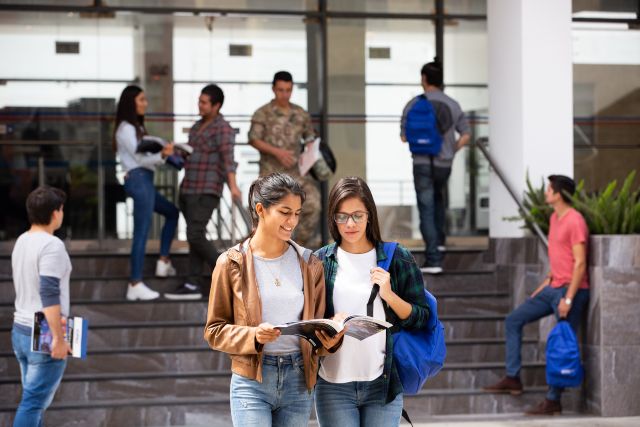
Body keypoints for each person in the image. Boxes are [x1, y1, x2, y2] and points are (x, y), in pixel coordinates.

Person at [204, 172, 343, 427]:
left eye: (297, 213)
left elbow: (316, 333)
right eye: (285, 212)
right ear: (261, 209)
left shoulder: (310, 264)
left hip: (298, 380)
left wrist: (331, 340)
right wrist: (253, 336)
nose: (293, 221)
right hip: (251, 381)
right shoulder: (231, 262)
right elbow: (214, 331)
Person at [314, 176, 430, 427]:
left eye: (357, 215)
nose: (350, 223)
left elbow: (422, 316)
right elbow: (308, 320)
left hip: (382, 384)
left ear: (370, 215)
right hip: (333, 385)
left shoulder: (396, 257)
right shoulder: (320, 261)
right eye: (341, 216)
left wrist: (389, 295)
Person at [482, 175, 590, 416]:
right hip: (553, 287)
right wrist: (546, 282)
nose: (545, 193)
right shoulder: (554, 218)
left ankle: (553, 400)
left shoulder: (575, 221)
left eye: (549, 189)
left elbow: (580, 263)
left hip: (572, 290)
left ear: (559, 194)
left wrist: (568, 299)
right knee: (513, 320)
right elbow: (562, 257)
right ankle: (513, 377)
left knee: (561, 343)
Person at [165, 84, 242, 300]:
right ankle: (192, 282)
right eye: (199, 101)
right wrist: (175, 153)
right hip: (189, 186)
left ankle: (227, 272)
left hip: (207, 189)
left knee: (195, 233)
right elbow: (190, 157)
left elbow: (229, 160)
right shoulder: (197, 126)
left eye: (204, 102)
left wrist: (233, 186)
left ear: (216, 106)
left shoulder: (223, 128)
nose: (199, 105)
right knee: (194, 235)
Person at [400, 60, 471, 274]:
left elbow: (404, 137)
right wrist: (451, 150)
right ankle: (439, 242)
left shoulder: (413, 104)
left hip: (421, 161)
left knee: (427, 206)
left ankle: (433, 258)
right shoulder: (452, 104)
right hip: (443, 163)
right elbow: (466, 134)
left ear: (424, 79)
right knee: (438, 198)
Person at [11, 186, 72, 426]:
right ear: (55, 213)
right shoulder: (51, 245)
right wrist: (58, 338)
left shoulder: (22, 240)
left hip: (21, 330)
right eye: (61, 209)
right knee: (33, 404)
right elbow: (49, 293)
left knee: (33, 402)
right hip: (43, 334)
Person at [114, 85, 180, 301]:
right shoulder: (125, 128)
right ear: (131, 102)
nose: (145, 103)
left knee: (171, 212)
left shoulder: (135, 127)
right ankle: (135, 283)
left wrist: (164, 154)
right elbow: (140, 159)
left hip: (144, 179)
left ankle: (163, 261)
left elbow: (143, 158)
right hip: (139, 179)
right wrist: (162, 154)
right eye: (141, 99)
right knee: (141, 232)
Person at [248, 71, 321, 248]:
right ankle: (264, 248)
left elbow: (310, 137)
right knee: (266, 212)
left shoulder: (300, 113)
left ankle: (293, 245)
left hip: (296, 173)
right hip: (270, 174)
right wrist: (277, 152)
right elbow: (253, 139)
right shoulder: (262, 113)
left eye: (288, 90)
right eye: (280, 90)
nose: (284, 94)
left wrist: (312, 151)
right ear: (273, 89)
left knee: (313, 204)